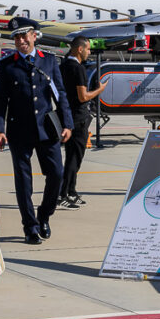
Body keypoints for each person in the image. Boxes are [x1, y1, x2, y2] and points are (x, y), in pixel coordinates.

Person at [0, 20, 72, 245]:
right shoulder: (7, 65)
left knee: (57, 174)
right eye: (16, 37)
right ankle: (29, 226)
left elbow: (60, 94)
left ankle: (44, 215)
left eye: (24, 36)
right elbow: (0, 101)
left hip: (47, 129)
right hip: (19, 130)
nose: (20, 41)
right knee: (23, 182)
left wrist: (67, 124)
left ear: (34, 36)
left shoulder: (49, 61)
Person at [58, 36, 106, 209]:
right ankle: (63, 193)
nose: (89, 52)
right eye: (88, 49)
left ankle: (71, 190)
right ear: (80, 49)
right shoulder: (77, 68)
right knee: (74, 158)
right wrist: (99, 90)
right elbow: (83, 96)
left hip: (67, 116)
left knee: (73, 156)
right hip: (78, 118)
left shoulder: (62, 66)